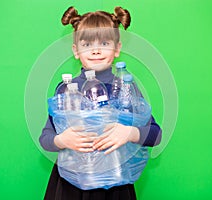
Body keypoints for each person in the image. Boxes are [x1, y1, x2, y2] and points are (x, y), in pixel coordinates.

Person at [39, 6, 162, 200]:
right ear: (76, 51)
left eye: (104, 43)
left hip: (116, 184)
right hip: (72, 184)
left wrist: (130, 133)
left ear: (117, 48)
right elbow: (45, 137)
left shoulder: (126, 87)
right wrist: (62, 140)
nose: (96, 51)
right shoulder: (66, 89)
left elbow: (156, 135)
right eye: (87, 45)